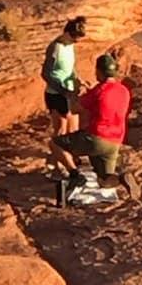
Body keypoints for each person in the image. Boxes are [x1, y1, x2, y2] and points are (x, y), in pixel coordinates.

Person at [51, 53, 141, 201]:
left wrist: (75, 93)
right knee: (104, 181)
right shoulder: (124, 90)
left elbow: (74, 109)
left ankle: (74, 176)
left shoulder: (99, 90)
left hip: (96, 138)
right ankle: (121, 178)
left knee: (55, 144)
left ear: (99, 71)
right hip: (115, 141)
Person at [42, 17, 87, 172]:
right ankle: (53, 162)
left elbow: (70, 68)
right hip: (56, 94)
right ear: (67, 33)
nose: (76, 42)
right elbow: (45, 73)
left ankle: (63, 160)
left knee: (73, 129)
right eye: (74, 38)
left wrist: (78, 80)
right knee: (61, 129)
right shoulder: (55, 47)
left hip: (69, 91)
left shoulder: (70, 46)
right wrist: (61, 90)